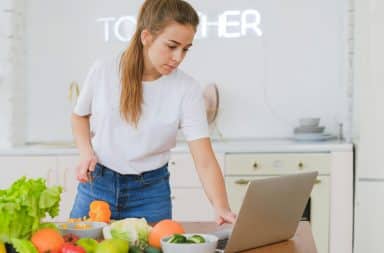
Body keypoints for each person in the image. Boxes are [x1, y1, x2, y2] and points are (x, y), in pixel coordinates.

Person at [70, 0, 236, 225]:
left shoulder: (186, 89)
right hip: (97, 185)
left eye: (185, 49)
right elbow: (80, 115)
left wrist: (221, 207)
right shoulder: (105, 70)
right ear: (146, 37)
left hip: (151, 194)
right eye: (171, 46)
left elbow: (204, 159)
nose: (178, 57)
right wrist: (85, 152)